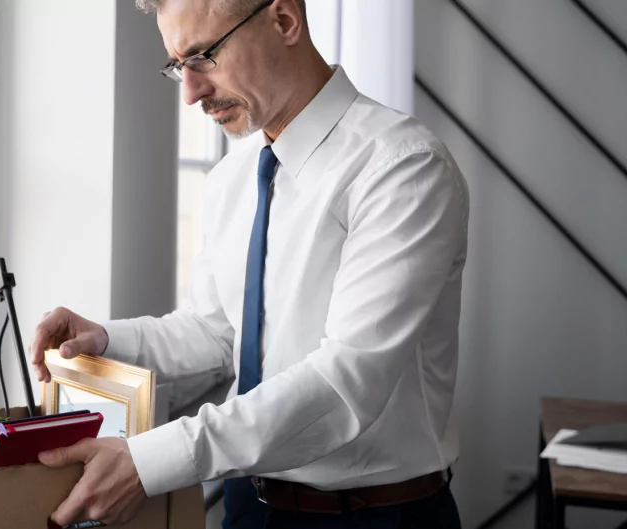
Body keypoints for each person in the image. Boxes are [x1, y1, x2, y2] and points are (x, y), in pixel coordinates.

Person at [30, 0, 468, 527]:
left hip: (374, 515)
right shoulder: (231, 180)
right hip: (248, 509)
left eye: (204, 56)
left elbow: (347, 380)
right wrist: (105, 339)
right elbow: (217, 333)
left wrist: (151, 462)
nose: (190, 93)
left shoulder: (401, 166)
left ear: (284, 20)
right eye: (178, 66)